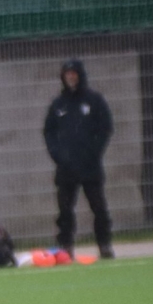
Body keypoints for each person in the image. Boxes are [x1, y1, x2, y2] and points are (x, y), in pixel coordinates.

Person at [43, 58, 115, 261]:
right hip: (66, 169)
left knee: (99, 208)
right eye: (67, 74)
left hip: (90, 167)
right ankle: (65, 247)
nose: (71, 77)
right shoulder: (58, 104)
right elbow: (49, 132)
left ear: (80, 75)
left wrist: (93, 152)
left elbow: (105, 128)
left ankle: (104, 244)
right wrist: (58, 155)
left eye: (74, 73)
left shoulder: (94, 101)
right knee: (65, 211)